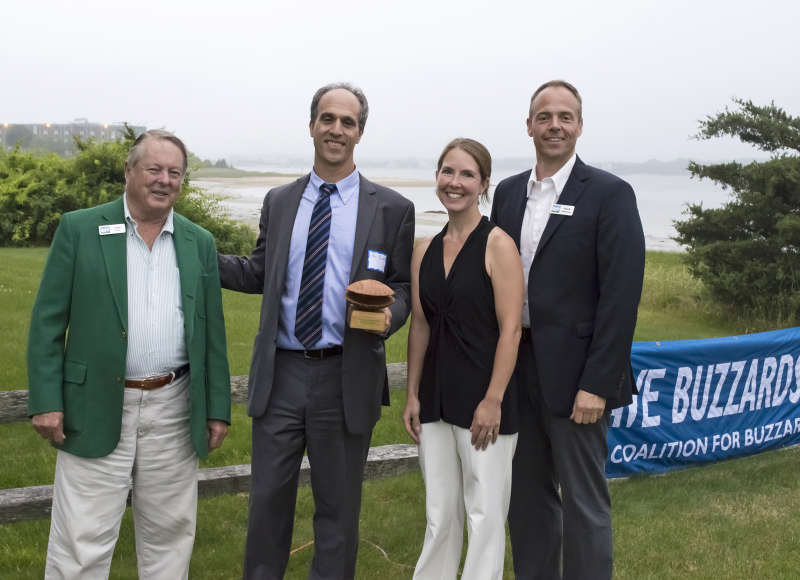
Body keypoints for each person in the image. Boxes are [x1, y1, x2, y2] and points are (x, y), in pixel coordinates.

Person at [218, 82, 415, 579]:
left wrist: (392, 315)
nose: (336, 130)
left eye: (348, 122)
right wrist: (197, 255)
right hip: (281, 374)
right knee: (267, 506)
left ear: (360, 133)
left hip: (345, 376)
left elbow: (403, 286)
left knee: (338, 512)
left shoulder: (391, 208)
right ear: (312, 126)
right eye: (328, 119)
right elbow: (260, 272)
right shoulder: (280, 200)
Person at [27, 129, 231, 579]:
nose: (164, 180)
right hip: (95, 404)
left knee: (170, 537)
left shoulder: (198, 242)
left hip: (174, 408)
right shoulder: (79, 229)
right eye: (153, 169)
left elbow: (211, 333)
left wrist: (217, 408)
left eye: (174, 172)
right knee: (81, 540)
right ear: (129, 171)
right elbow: (46, 323)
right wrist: (46, 400)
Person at [490, 80, 645, 580]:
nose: (554, 125)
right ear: (529, 124)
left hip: (579, 378)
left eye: (565, 116)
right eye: (544, 116)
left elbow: (621, 299)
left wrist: (597, 384)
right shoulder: (509, 193)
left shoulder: (609, 194)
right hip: (519, 371)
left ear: (579, 125)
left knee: (584, 505)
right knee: (527, 501)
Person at [403, 138, 524, 579]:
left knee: (484, 513)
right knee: (440, 513)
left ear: (484, 184)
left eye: (467, 174)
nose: (455, 182)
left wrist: (493, 399)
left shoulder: (498, 245)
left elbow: (511, 329)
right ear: (437, 177)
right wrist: (412, 393)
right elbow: (420, 324)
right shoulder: (423, 249)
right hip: (434, 397)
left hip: (483, 399)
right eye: (447, 172)